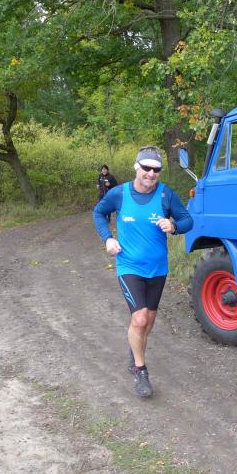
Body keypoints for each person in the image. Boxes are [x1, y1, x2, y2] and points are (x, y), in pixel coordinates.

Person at [92, 146, 193, 398]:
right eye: (146, 168)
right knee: (139, 319)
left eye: (156, 169)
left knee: (149, 321)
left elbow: (187, 220)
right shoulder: (119, 194)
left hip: (157, 268)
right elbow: (98, 213)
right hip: (129, 266)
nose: (151, 173)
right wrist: (108, 238)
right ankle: (140, 371)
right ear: (137, 167)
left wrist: (174, 225)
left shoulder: (166, 195)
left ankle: (134, 345)